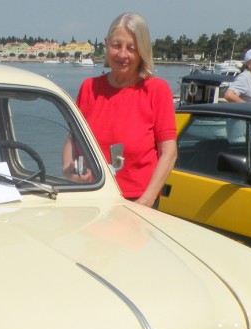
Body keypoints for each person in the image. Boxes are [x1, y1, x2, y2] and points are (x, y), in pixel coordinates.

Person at [68, 13, 177, 206]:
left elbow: (169, 153)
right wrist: (72, 176)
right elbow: (73, 142)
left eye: (131, 48)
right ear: (106, 44)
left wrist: (146, 200)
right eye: (116, 45)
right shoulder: (89, 88)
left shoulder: (156, 90)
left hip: (137, 201)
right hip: (91, 196)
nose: (122, 54)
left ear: (142, 51)